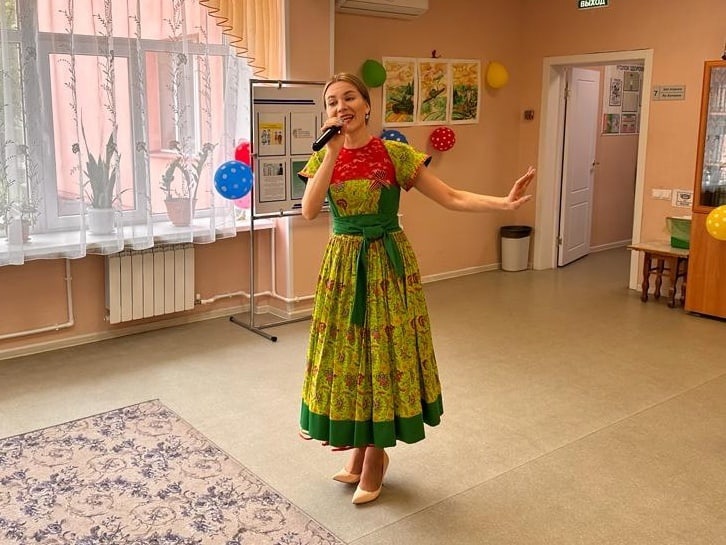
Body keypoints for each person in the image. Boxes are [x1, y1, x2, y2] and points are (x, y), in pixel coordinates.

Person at [298, 72, 535, 505]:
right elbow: (310, 211)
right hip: (343, 268)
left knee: (384, 354)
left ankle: (376, 456)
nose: (340, 107)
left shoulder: (395, 153)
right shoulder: (323, 156)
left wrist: (503, 202)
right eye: (332, 102)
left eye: (349, 98)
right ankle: (358, 447)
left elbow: (450, 196)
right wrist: (330, 153)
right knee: (350, 356)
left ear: (367, 105)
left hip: (387, 264)